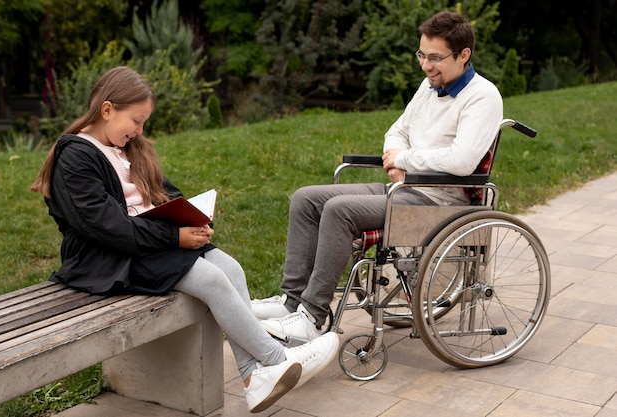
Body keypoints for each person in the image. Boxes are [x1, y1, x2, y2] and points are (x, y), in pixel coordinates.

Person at [30, 66, 339, 413]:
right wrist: (174, 236)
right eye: (136, 120)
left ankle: (254, 377)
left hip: (146, 244)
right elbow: (108, 228)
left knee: (231, 268)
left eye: (143, 122)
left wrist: (195, 217)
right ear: (106, 110)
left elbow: (164, 193)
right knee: (211, 279)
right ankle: (276, 357)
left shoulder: (129, 148)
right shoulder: (75, 157)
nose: (139, 130)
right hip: (106, 258)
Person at [251, 11, 504, 342]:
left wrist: (407, 159)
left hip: (442, 201)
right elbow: (396, 131)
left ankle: (312, 317)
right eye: (422, 56)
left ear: (464, 55)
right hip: (405, 188)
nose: (426, 66)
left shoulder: (483, 97)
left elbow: (462, 160)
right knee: (306, 198)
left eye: (436, 58)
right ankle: (292, 301)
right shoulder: (430, 86)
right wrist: (397, 160)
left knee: (340, 210)